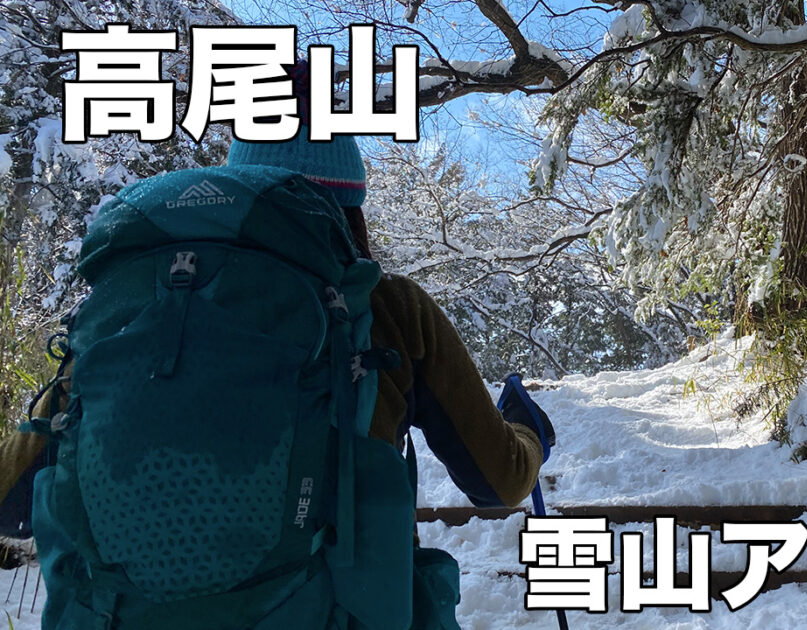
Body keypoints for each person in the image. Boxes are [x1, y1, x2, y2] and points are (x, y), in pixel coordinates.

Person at [0, 60, 554, 627]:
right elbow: (499, 481)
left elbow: (8, 499)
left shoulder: (129, 306)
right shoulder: (387, 309)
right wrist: (530, 431)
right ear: (349, 208)